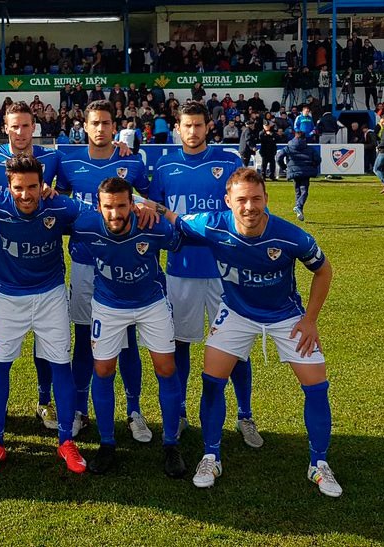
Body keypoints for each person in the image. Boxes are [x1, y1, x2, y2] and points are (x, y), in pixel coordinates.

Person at [151, 167, 342, 498]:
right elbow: (176, 220)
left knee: (316, 383)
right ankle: (211, 456)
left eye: (256, 199)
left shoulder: (290, 236)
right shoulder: (212, 224)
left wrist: (310, 320)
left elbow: (323, 270)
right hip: (237, 313)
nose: (250, 207)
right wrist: (144, 204)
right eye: (242, 200)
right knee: (211, 381)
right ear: (228, 201)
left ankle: (319, 463)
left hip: (285, 315)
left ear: (266, 199)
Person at [0, 154, 87, 475]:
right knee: (0, 367)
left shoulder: (59, 205)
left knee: (61, 366)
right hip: (9, 299)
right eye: (18, 188)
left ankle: (65, 441)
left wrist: (144, 203)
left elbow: (105, 204)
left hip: (51, 297)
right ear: (8, 186)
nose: (26, 194)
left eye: (32, 187)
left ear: (42, 184)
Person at [151, 103, 260, 447]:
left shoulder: (228, 162)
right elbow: (154, 215)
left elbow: (248, 212)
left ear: (208, 126)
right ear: (177, 128)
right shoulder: (164, 165)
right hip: (180, 270)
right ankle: (180, 411)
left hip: (223, 272)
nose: (193, 131)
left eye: (199, 125)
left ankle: (245, 415)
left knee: (237, 347)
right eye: (187, 125)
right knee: (179, 342)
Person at [69, 177, 185, 477]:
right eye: (108, 207)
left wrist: (155, 209)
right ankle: (107, 444)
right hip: (107, 305)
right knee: (103, 370)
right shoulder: (85, 224)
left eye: (122, 206)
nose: (115, 213)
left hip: (151, 303)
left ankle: (170, 444)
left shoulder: (153, 226)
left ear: (132, 205)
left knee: (166, 369)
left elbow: (179, 238)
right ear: (98, 207)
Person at [56, 99, 149, 440]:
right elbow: (60, 206)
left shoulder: (131, 163)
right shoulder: (69, 163)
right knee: (84, 338)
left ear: (115, 127)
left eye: (106, 123)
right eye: (94, 122)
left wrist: (145, 206)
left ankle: (134, 409)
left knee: (127, 338)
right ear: (84, 125)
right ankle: (81, 409)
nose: (100, 129)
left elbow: (150, 202)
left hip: (123, 263)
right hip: (82, 262)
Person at [0, 102, 64, 430]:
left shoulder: (53, 158)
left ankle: (44, 401)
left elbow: (78, 188)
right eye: (14, 126)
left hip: (42, 252)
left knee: (47, 335)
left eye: (26, 126)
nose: (20, 132)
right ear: (6, 126)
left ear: (34, 127)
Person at [277, 130, 321, 221]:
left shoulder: (289, 147)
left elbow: (279, 157)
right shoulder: (308, 148)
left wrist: (284, 166)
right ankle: (299, 207)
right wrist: (312, 165)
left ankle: (299, 210)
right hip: (305, 172)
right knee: (304, 191)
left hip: (294, 171)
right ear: (304, 138)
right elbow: (318, 159)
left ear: (295, 137)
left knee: (298, 191)